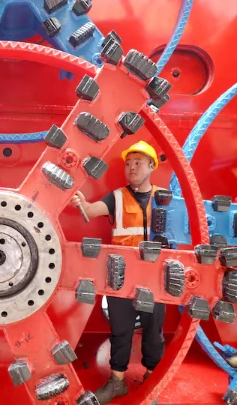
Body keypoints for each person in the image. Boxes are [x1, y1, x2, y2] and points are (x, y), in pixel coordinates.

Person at [70, 140, 167, 404]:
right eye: (128, 163)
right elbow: (90, 211)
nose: (131, 167)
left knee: (153, 330)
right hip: (121, 276)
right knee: (121, 329)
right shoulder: (116, 197)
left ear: (151, 166)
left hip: (155, 276)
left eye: (138, 162)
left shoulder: (166, 198)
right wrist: (80, 201)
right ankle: (117, 382)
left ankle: (152, 377)